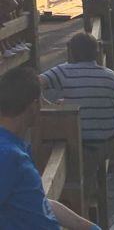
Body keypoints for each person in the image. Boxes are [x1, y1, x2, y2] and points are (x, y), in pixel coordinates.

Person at [0, 67, 102, 230]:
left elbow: (37, 202)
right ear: (34, 106)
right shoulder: (7, 155)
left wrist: (87, 227)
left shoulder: (15, 146)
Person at [40, 33, 114, 194]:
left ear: (71, 52)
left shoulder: (64, 70)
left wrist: (47, 105)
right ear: (96, 53)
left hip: (86, 146)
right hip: (111, 142)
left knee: (54, 149)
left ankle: (81, 202)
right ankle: (94, 191)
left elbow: (34, 84)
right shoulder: (110, 74)